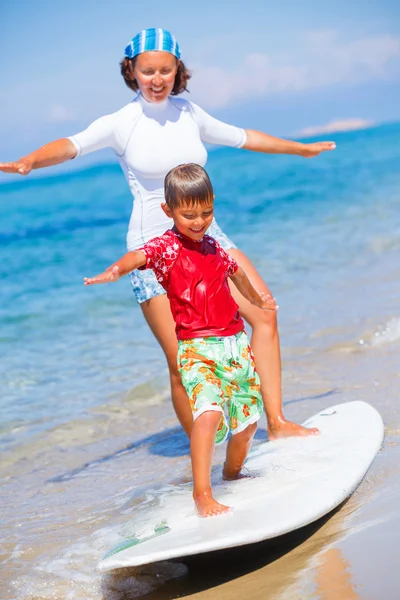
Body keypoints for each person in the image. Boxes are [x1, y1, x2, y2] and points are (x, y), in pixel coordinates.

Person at [0, 28, 335, 440]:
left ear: (178, 69)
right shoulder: (122, 123)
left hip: (208, 238)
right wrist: (29, 161)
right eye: (147, 71)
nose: (156, 79)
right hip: (153, 250)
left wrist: (301, 149)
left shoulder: (189, 113)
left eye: (165, 69)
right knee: (182, 359)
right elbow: (71, 146)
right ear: (132, 71)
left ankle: (277, 422)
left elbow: (245, 138)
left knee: (264, 315)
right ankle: (203, 456)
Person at [84, 163, 277, 516]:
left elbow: (238, 276)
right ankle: (202, 494)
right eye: (189, 215)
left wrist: (257, 300)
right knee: (208, 413)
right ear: (168, 211)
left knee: (248, 423)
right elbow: (138, 256)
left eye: (206, 212)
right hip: (197, 348)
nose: (199, 221)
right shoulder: (167, 248)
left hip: (235, 344)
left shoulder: (215, 248)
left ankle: (232, 474)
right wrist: (116, 270)